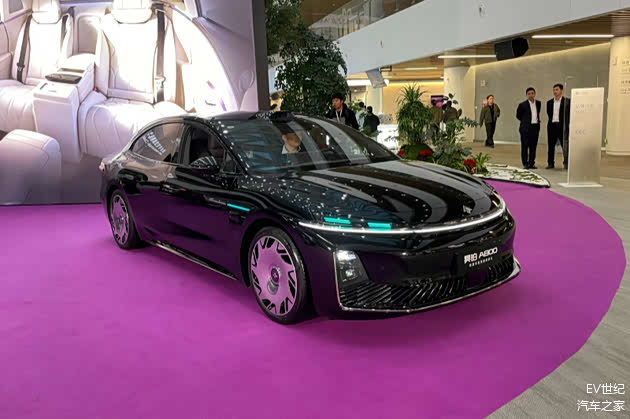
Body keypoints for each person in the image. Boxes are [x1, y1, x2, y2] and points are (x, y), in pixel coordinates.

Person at [546, 83, 571, 170]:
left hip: (562, 127)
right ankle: (550, 163)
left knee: (565, 146)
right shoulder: (549, 102)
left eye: (557, 89)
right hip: (552, 126)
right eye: (554, 90)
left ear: (561, 90)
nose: (555, 91)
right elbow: (549, 114)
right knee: (550, 146)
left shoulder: (567, 102)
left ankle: (566, 163)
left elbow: (569, 114)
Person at [516, 87, 542, 169]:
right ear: (526, 95)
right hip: (525, 128)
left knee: (533, 146)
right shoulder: (522, 105)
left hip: (535, 127)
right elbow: (518, 116)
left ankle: (531, 163)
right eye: (529, 94)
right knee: (525, 146)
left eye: (532, 93)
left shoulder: (538, 103)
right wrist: (525, 122)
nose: (531, 95)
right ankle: (525, 163)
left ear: (535, 94)